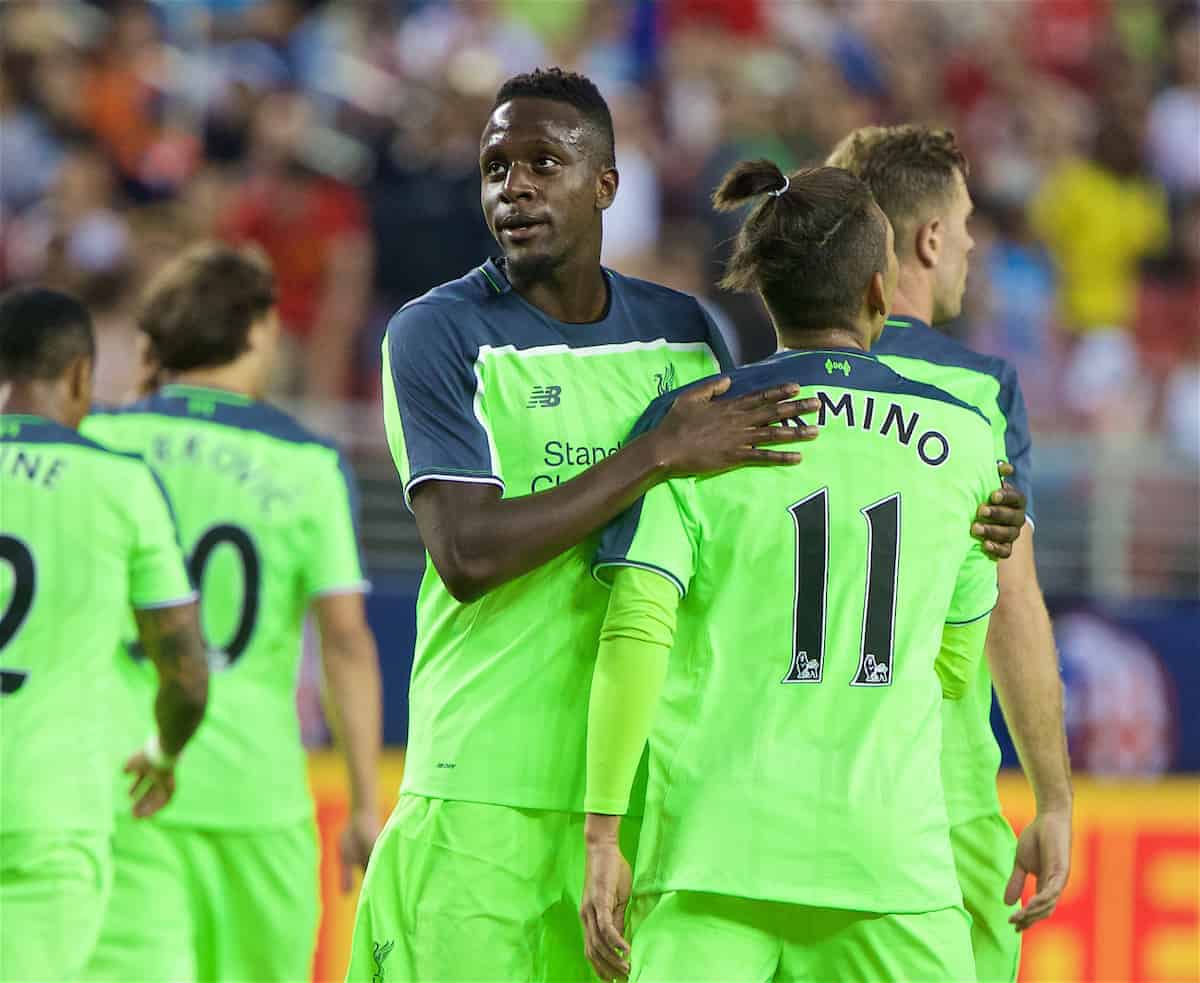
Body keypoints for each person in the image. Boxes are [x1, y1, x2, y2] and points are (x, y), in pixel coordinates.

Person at [347, 67, 826, 983]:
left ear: (606, 184)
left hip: (639, 797)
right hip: (482, 789)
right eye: (495, 167)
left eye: (543, 163)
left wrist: (972, 516)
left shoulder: (689, 330)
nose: (513, 186)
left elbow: (755, 502)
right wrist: (652, 453)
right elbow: (468, 551)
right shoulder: (438, 334)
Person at [580, 161, 997, 982]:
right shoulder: (967, 440)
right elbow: (953, 666)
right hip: (892, 867)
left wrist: (602, 833)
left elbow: (636, 630)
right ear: (880, 290)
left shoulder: (696, 424)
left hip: (712, 857)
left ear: (763, 291)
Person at [81, 243, 382, 983]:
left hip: (118, 785)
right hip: (256, 795)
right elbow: (344, 641)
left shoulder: (96, 439)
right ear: (258, 330)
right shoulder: (308, 463)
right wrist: (367, 803)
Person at [827, 124, 1073, 980]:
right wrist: (1054, 796)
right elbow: (1010, 602)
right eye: (965, 222)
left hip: (776, 790)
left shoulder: (761, 386)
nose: (971, 241)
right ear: (930, 238)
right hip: (933, 791)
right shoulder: (979, 394)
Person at [0, 286, 208, 982]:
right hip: (48, 816)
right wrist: (163, 750)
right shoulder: (121, 485)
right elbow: (186, 675)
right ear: (82, 375)